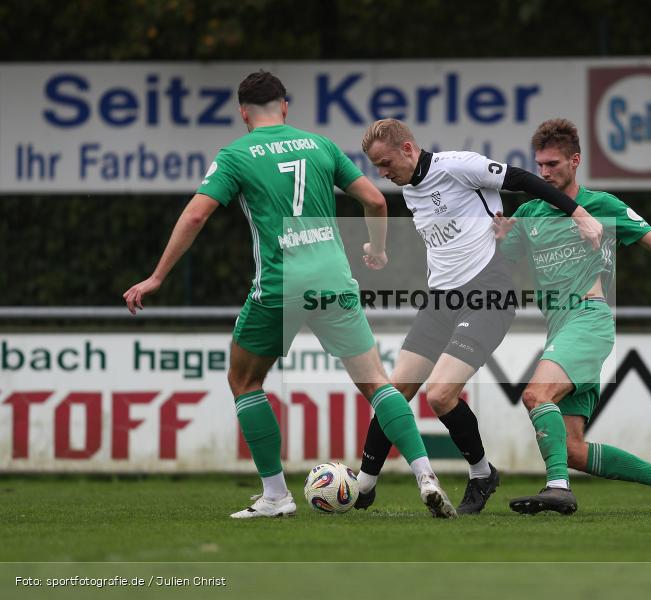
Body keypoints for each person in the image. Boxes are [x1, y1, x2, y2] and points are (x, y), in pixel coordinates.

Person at [123, 71, 456, 519]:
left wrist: (158, 276)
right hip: (335, 281)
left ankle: (276, 496)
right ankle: (425, 476)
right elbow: (376, 202)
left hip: (282, 285)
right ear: (285, 106)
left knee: (244, 382)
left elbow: (197, 216)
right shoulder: (319, 145)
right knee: (377, 384)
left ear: (244, 112)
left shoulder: (237, 155)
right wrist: (376, 249)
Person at [354, 118, 606, 514]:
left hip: (488, 292)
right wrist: (380, 251)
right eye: (377, 168)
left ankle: (480, 474)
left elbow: (523, 178)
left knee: (439, 395)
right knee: (393, 392)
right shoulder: (411, 190)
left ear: (407, 149)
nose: (383, 173)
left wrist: (578, 214)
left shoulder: (457, 166)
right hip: (440, 300)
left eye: (385, 163)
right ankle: (363, 485)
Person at [496, 118, 651, 515]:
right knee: (574, 449)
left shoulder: (602, 206)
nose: (543, 173)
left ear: (575, 161)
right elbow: (499, 268)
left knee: (534, 395)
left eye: (553, 164)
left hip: (588, 320)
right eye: (539, 165)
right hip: (560, 328)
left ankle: (557, 488)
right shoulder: (528, 212)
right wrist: (492, 238)